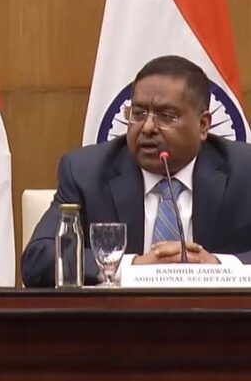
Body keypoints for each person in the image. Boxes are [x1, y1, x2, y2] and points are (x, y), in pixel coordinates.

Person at [22, 55, 251, 287]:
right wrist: (133, 268)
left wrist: (218, 267)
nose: (148, 127)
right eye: (138, 113)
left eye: (166, 116)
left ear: (203, 125)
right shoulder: (85, 172)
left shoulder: (244, 171)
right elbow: (39, 259)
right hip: (117, 321)